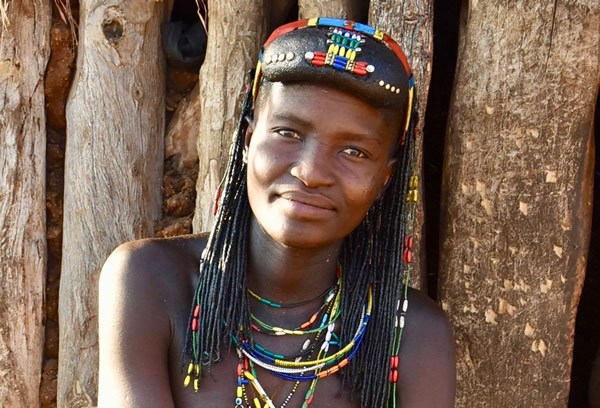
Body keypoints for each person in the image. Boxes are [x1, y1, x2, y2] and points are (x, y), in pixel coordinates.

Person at [98, 17, 455, 408]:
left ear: (384, 179)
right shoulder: (152, 281)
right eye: (289, 133)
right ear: (249, 141)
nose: (311, 172)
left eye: (354, 151)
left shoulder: (413, 335)